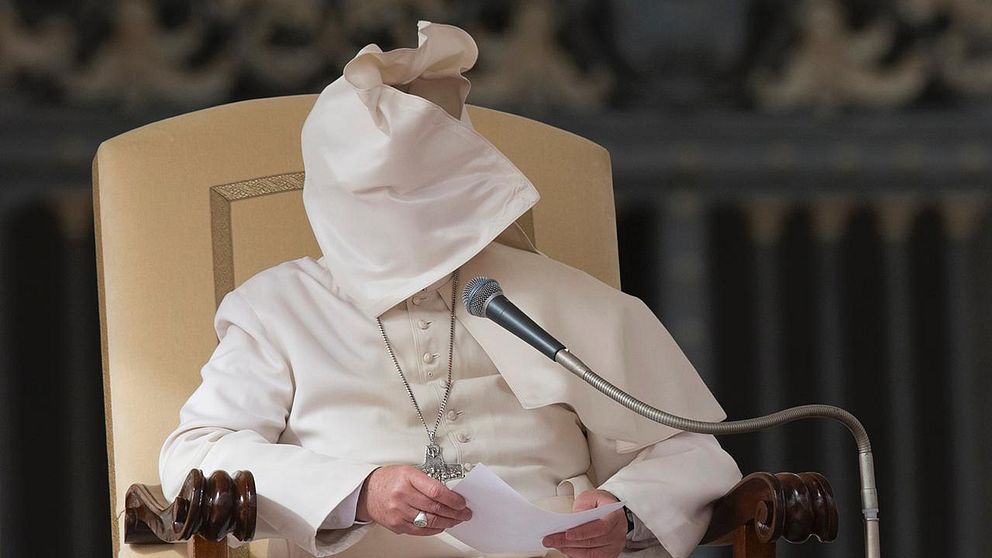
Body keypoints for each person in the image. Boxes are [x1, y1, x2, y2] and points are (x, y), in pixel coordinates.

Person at [159, 20, 742, 558]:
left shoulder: (559, 297)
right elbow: (197, 454)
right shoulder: (278, 308)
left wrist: (627, 513)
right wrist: (358, 491)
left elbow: (688, 450)